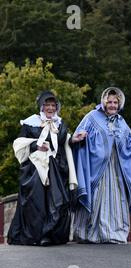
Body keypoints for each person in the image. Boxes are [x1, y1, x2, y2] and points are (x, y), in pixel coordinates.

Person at [71, 87, 131, 243]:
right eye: (109, 102)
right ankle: (90, 233)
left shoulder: (121, 121)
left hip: (116, 168)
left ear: (119, 104)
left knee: (117, 199)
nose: (112, 105)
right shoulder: (91, 117)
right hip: (96, 170)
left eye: (115, 102)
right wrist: (80, 137)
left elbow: (129, 141)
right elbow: (77, 135)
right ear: (103, 102)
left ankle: (113, 233)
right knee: (96, 197)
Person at [8, 91, 82, 246]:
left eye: (53, 105)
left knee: (56, 200)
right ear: (41, 106)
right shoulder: (30, 123)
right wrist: (36, 145)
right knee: (36, 201)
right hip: (34, 169)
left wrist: (74, 140)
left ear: (57, 107)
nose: (50, 108)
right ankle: (37, 235)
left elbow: (63, 143)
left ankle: (51, 235)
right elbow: (19, 143)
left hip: (56, 168)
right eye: (47, 105)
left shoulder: (60, 124)